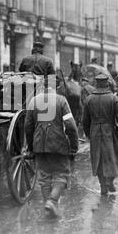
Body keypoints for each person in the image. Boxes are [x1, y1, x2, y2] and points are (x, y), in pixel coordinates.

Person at [25, 82, 79, 218]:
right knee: (62, 174)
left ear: (43, 86)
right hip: (58, 145)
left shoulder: (33, 101)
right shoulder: (61, 100)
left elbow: (28, 125)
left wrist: (31, 148)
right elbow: (71, 126)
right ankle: (52, 201)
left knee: (44, 177)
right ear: (58, 87)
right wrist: (74, 146)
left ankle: (48, 209)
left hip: (39, 146)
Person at [82, 74, 118, 196]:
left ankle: (103, 185)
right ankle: (110, 181)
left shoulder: (89, 99)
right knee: (113, 158)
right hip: (110, 132)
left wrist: (89, 134)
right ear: (107, 84)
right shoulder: (113, 99)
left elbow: (85, 121)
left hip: (94, 133)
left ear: (96, 84)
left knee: (97, 159)